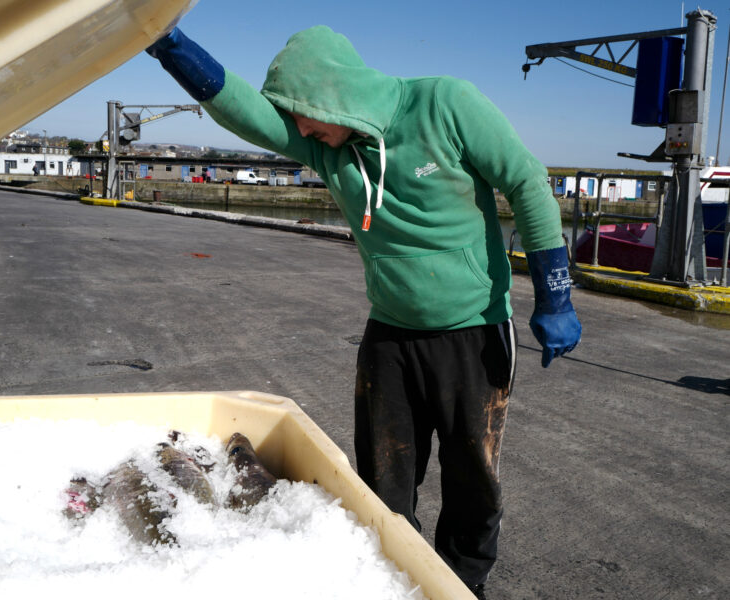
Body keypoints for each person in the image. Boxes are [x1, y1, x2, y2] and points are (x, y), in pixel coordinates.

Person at [147, 26, 581, 598]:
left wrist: (555, 293)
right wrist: (167, 44)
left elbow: (526, 181)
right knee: (382, 480)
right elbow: (242, 112)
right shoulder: (329, 148)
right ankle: (393, 580)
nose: (299, 128)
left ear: (334, 93)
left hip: (473, 330)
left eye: (303, 112)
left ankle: (463, 585)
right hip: (390, 335)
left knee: (472, 480)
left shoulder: (445, 103)